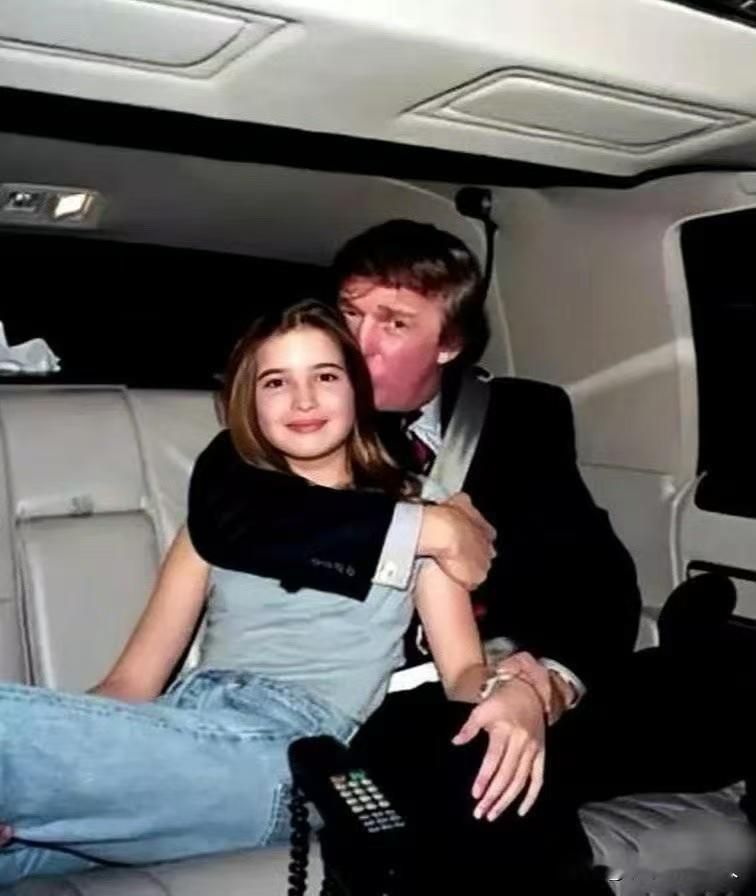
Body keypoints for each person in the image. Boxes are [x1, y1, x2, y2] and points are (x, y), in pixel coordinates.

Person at [185, 221, 756, 888]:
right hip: (388, 706)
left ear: (449, 343)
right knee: (473, 763)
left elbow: (596, 579)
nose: (357, 342)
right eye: (349, 314)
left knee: (733, 678)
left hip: (512, 677)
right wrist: (424, 528)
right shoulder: (296, 419)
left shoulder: (522, 417)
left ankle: (689, 645)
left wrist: (544, 681)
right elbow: (227, 516)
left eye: (394, 323)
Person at [0, 300, 522, 887]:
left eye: (325, 376)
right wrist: (70, 741)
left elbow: (463, 671)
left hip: (291, 755)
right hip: (182, 731)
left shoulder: (422, 513)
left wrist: (515, 690)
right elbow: (131, 685)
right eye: (276, 382)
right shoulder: (224, 520)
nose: (303, 401)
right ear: (251, 402)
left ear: (357, 389)